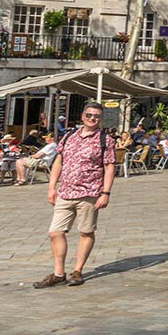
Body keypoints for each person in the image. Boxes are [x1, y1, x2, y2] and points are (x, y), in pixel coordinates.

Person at [37, 101, 116, 288]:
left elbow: (109, 167)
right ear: (82, 116)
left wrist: (105, 193)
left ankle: (77, 271)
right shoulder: (69, 136)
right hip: (65, 192)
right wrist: (51, 187)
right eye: (89, 115)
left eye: (96, 116)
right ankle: (58, 273)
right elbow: (58, 162)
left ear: (100, 119)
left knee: (86, 231)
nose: (92, 119)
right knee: (55, 232)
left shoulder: (105, 140)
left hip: (89, 192)